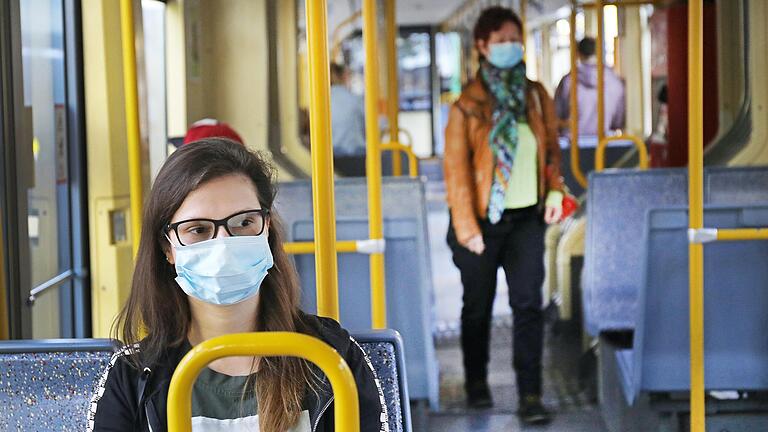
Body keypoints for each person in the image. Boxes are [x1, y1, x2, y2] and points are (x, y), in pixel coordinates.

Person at [87, 139, 386, 431]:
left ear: (266, 228)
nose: (224, 244)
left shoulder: (331, 357)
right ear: (167, 248)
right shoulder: (134, 377)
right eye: (198, 230)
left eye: (244, 223)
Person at [443, 6, 563, 425]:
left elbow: (550, 154)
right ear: (482, 46)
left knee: (528, 304)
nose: (510, 47)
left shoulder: (535, 96)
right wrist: (466, 227)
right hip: (480, 222)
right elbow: (456, 172)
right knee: (478, 307)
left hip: (527, 219)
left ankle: (531, 394)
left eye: (515, 39)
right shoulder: (466, 107)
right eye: (501, 41)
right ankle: (477, 383)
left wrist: (556, 190)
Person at [553, 37, 626, 136]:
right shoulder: (615, 82)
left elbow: (557, 114)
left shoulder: (568, 81)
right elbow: (618, 121)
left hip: (573, 143)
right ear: (598, 52)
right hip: (604, 143)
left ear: (578, 53)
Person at [330, 63, 367, 176]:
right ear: (344, 77)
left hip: (330, 159)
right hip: (357, 158)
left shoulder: (319, 103)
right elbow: (370, 126)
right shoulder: (355, 100)